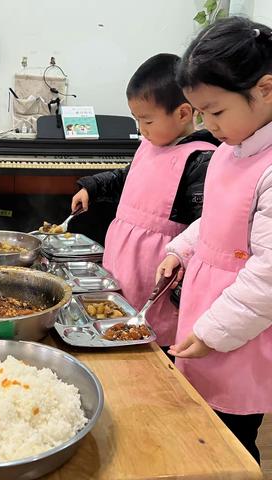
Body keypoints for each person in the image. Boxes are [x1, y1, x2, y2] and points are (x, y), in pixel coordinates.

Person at [156, 17, 272, 464]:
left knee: (231, 442)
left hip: (241, 332)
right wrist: (180, 249)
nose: (208, 124)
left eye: (216, 111)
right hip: (210, 317)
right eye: (201, 112)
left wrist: (213, 332)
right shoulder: (229, 150)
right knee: (198, 424)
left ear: (264, 89)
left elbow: (266, 279)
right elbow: (216, 219)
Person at [71, 53, 219, 349]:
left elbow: (205, 227)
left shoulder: (200, 159)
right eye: (137, 119)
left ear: (183, 113)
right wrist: (92, 187)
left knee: (152, 337)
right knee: (119, 320)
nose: (142, 129)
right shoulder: (150, 145)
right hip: (123, 262)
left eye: (148, 120)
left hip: (155, 272)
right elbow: (124, 177)